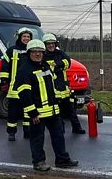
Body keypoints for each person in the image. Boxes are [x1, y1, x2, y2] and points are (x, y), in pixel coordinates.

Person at [15, 39, 78, 171]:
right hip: (37, 113)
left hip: (53, 110)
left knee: (59, 136)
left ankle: (62, 160)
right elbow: (24, 93)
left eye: (40, 51)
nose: (38, 54)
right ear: (29, 53)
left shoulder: (45, 66)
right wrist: (32, 112)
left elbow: (52, 86)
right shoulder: (25, 70)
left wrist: (58, 102)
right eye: (35, 51)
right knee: (37, 139)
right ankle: (38, 162)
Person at [43, 33, 86, 134]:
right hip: (52, 89)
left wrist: (56, 65)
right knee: (56, 113)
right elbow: (46, 67)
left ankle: (77, 128)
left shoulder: (60, 53)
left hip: (64, 88)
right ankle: (60, 130)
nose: (51, 45)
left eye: (52, 43)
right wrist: (58, 65)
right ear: (45, 45)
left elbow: (68, 62)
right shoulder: (43, 55)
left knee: (71, 110)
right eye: (48, 44)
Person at [0, 27, 32, 141]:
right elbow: (4, 66)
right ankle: (11, 133)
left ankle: (27, 132)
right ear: (19, 37)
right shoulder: (11, 50)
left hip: (29, 87)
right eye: (24, 36)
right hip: (14, 87)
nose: (26, 39)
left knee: (28, 111)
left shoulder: (32, 51)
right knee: (12, 112)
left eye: (28, 37)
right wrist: (4, 81)